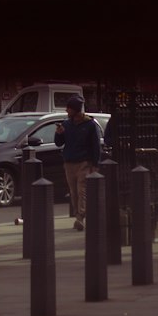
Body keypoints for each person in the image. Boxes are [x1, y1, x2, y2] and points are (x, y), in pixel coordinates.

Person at [54, 95, 100, 231]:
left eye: (68, 108)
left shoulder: (90, 124)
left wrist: (95, 164)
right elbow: (58, 143)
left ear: (75, 109)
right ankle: (78, 215)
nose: (66, 111)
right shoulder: (66, 124)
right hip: (69, 163)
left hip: (84, 163)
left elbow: (96, 146)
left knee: (82, 191)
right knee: (73, 193)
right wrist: (59, 133)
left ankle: (80, 217)